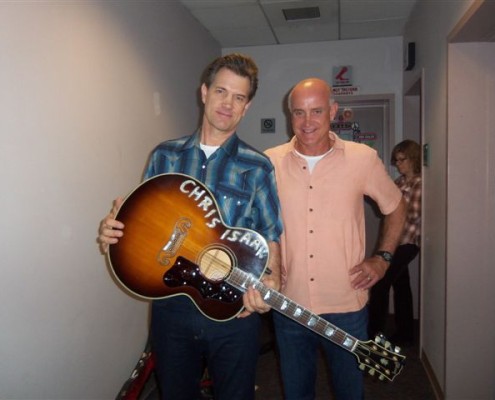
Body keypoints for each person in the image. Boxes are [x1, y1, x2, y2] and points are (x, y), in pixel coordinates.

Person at [98, 53, 283, 400]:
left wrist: (273, 281)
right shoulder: (164, 156)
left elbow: (272, 234)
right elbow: (140, 223)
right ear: (204, 92)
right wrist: (116, 233)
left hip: (234, 310)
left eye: (238, 97)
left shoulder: (258, 167)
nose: (228, 103)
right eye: (221, 91)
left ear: (247, 106)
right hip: (171, 307)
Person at [264, 78, 406, 400]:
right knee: (296, 393)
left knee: (349, 393)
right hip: (290, 305)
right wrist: (268, 264)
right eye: (299, 113)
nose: (307, 122)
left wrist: (382, 258)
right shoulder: (269, 162)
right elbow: (256, 223)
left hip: (346, 305)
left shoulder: (362, 158)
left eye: (317, 111)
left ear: (333, 111)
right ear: (290, 115)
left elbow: (397, 206)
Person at [368, 139, 422, 345]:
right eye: (396, 160)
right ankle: (406, 332)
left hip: (408, 242)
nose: (399, 164)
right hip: (395, 242)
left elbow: (414, 214)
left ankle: (373, 334)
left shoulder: (419, 183)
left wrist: (395, 212)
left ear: (413, 159)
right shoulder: (399, 182)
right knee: (402, 286)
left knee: (380, 283)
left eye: (403, 159)